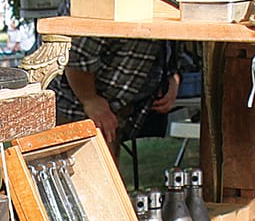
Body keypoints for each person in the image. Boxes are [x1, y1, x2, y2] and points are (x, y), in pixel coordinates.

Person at [52, 38, 182, 149]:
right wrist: (89, 99)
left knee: (106, 173)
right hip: (74, 107)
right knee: (84, 172)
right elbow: (75, 56)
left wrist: (171, 76)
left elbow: (168, 42)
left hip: (114, 109)